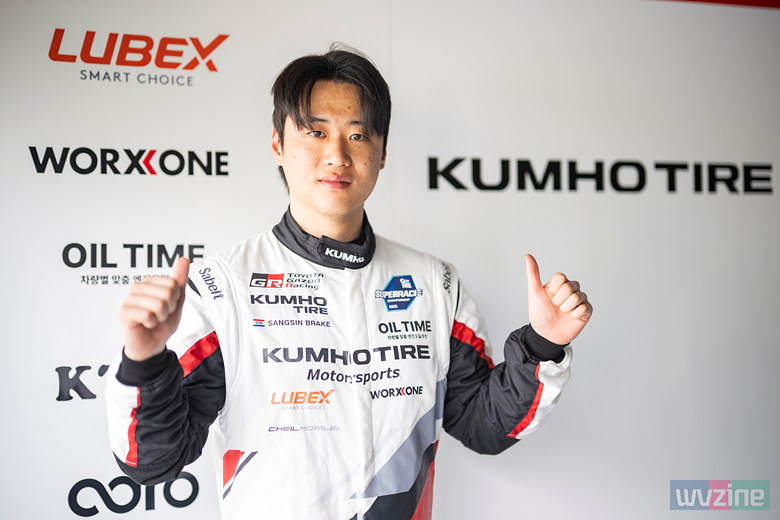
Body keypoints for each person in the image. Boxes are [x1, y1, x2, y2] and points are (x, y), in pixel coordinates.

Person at [105, 45, 592, 520]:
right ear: (278, 145)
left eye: (357, 135)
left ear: (382, 154)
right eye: (315, 132)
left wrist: (542, 344)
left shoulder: (435, 283)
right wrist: (144, 361)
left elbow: (484, 426)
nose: (336, 155)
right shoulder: (222, 287)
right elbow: (155, 462)